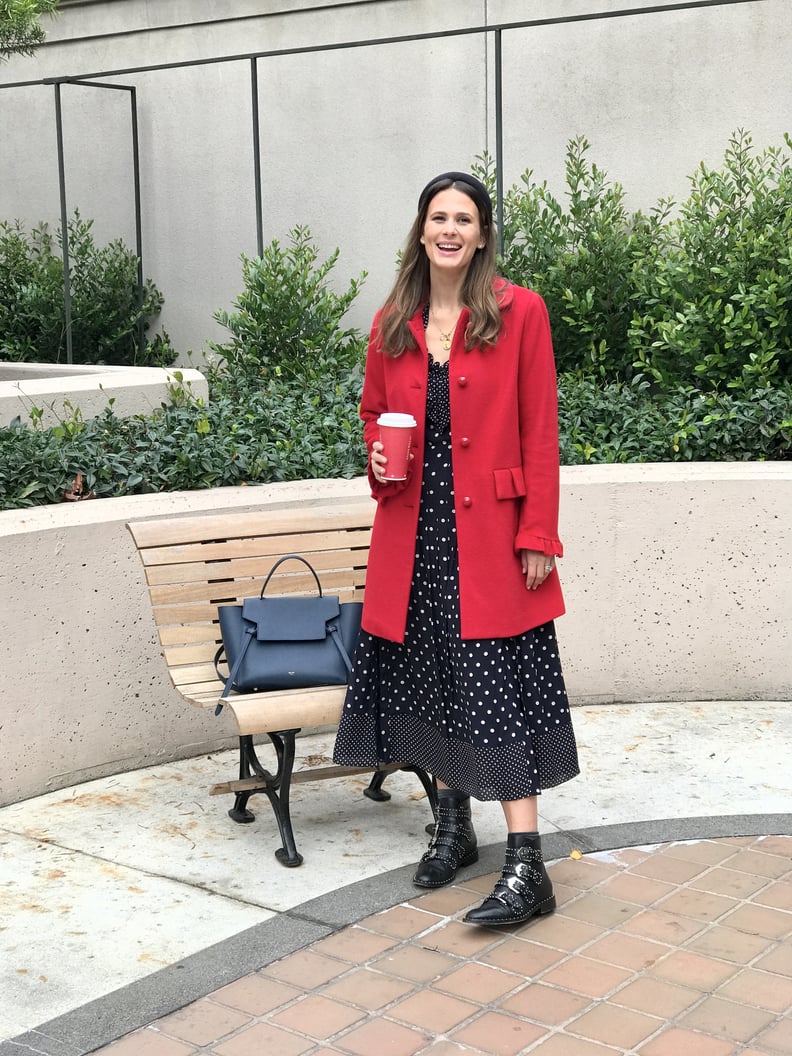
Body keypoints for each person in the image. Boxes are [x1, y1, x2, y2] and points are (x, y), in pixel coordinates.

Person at [333, 171, 579, 926]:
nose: (448, 230)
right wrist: (378, 454)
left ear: (481, 235)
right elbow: (376, 414)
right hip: (414, 537)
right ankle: (451, 828)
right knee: (430, 683)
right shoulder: (392, 321)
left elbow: (540, 426)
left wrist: (538, 531)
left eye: (462, 219)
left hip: (494, 538)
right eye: (437, 217)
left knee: (496, 692)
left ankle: (528, 865)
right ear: (421, 230)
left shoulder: (518, 312)